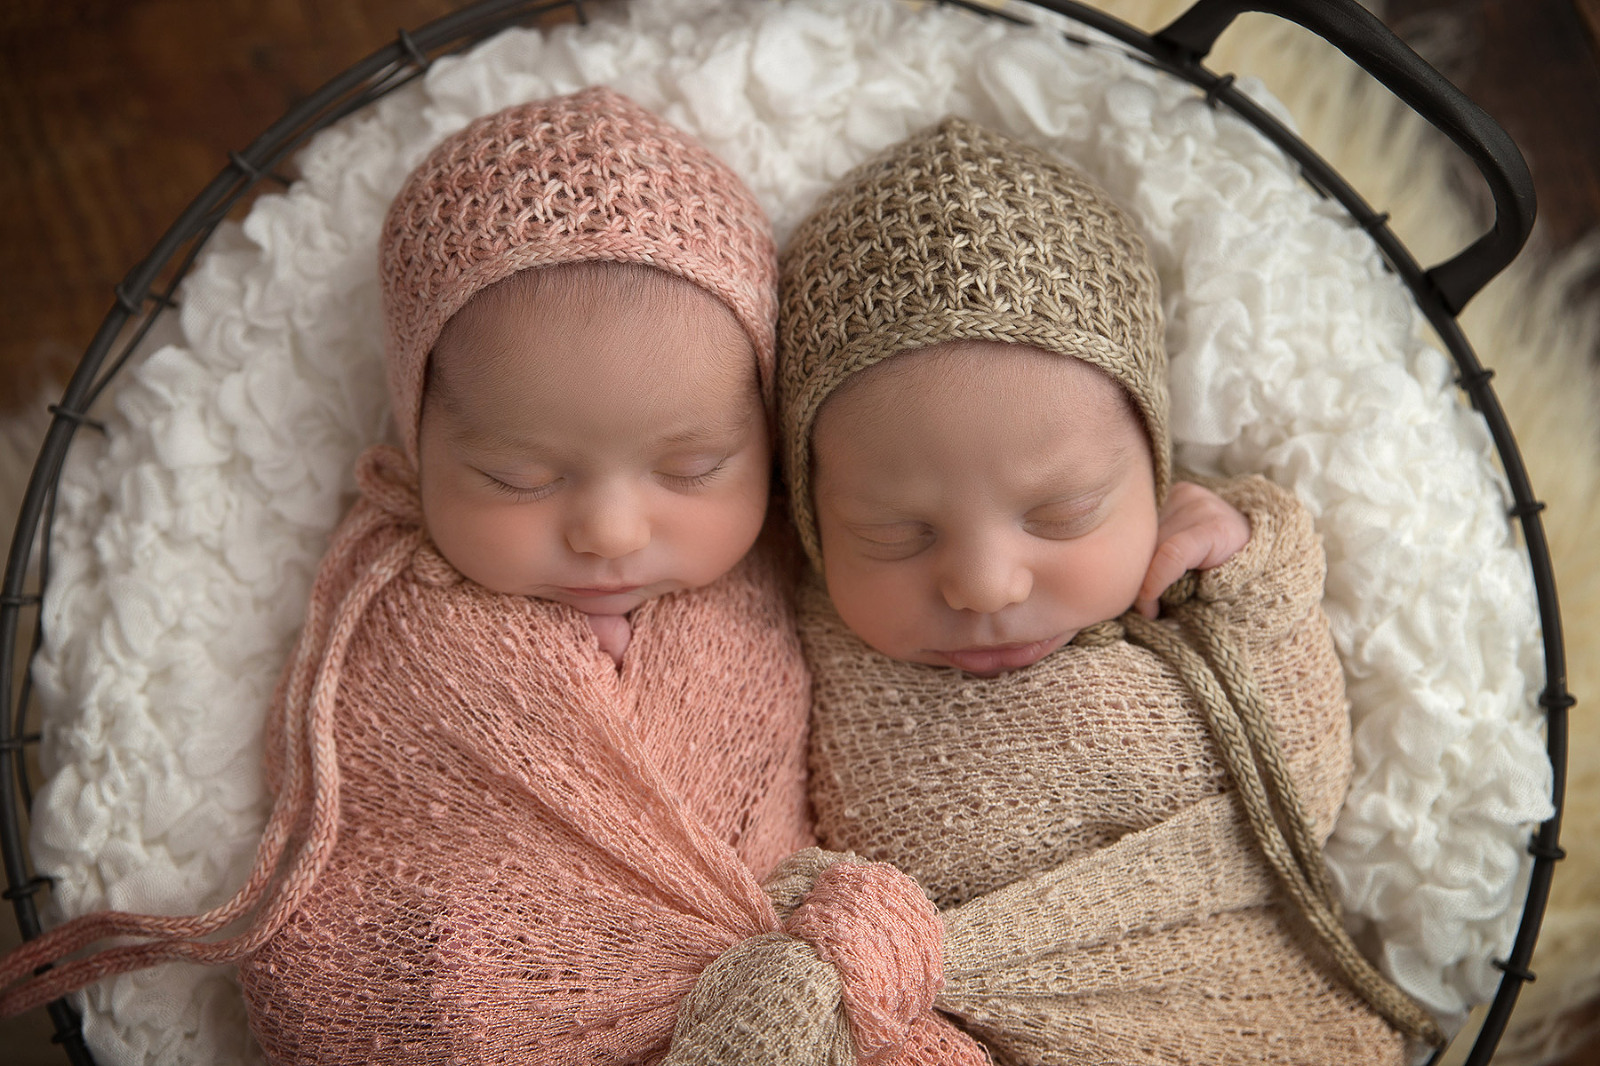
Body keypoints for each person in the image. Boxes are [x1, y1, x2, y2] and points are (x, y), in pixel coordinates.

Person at [2, 86, 914, 1065]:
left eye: (691, 469)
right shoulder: (397, 617)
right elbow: (364, 845)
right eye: (518, 477)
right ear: (414, 448)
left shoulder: (789, 571)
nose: (608, 530)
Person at [742, 116, 1435, 1063]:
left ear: (1155, 470)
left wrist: (1250, 567)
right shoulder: (795, 627)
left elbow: (1305, 785)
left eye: (1063, 513)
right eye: (893, 535)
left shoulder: (1189, 592)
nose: (985, 584)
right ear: (810, 518)